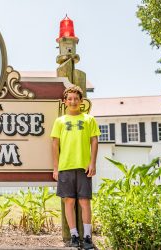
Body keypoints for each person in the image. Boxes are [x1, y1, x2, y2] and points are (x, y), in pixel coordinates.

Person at [50, 86, 100, 249]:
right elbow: (55, 144)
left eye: (76, 99)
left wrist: (92, 162)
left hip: (84, 167)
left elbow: (94, 141)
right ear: (65, 102)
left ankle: (87, 237)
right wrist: (56, 168)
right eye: (69, 99)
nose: (73, 101)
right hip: (65, 167)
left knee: (85, 202)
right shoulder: (60, 121)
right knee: (69, 202)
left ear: (81, 101)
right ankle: (74, 236)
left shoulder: (89, 119)